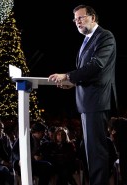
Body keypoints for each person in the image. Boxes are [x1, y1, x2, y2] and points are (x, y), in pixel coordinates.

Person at [48, 4, 117, 185]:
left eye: (81, 18)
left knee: (97, 152)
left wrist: (68, 76)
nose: (77, 22)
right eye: (75, 19)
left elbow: (96, 66)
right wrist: (72, 83)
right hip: (87, 102)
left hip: (97, 101)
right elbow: (87, 72)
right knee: (90, 151)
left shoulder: (104, 36)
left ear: (93, 18)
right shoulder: (86, 40)